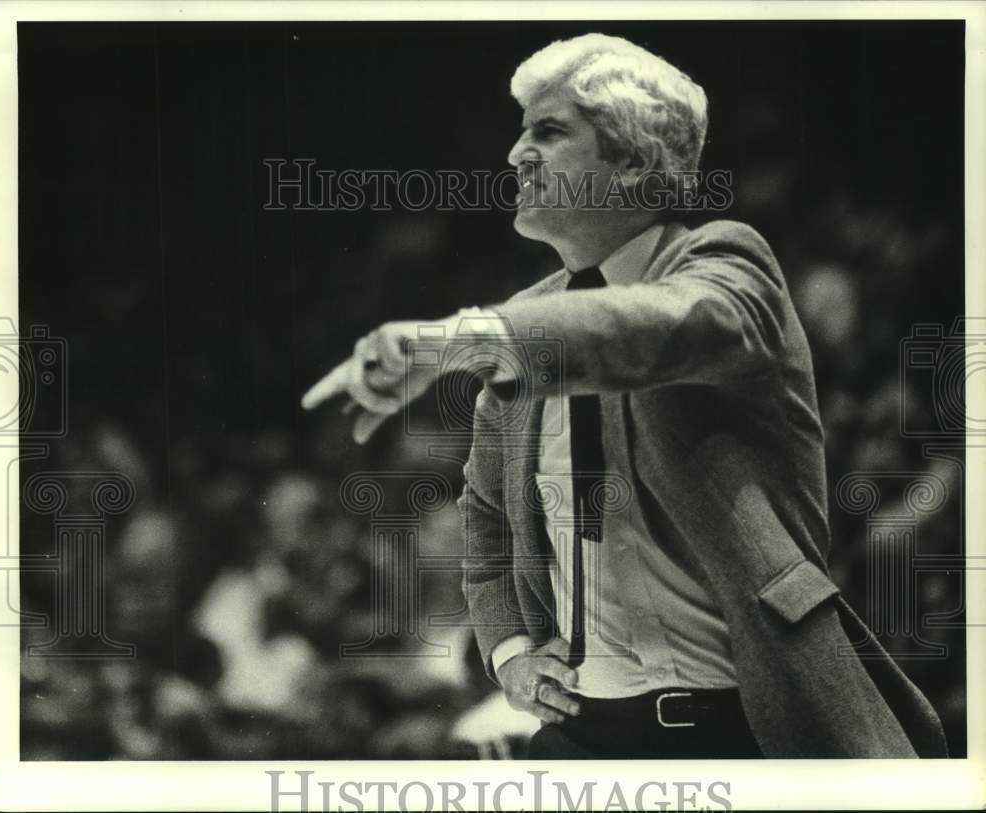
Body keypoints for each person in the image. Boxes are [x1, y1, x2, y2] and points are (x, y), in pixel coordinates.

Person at [302, 33, 947, 758]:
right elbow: (485, 519)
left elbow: (652, 325)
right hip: (585, 732)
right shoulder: (528, 314)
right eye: (520, 133)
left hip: (750, 726)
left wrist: (468, 336)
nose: (516, 153)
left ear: (635, 161)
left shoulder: (727, 264)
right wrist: (511, 650)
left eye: (549, 131)